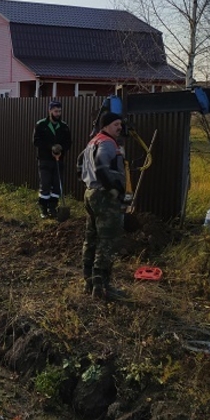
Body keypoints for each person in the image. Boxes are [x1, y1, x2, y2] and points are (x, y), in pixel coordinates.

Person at [78, 111, 128, 300]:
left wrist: (85, 178)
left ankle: (88, 282)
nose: (120, 128)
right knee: (106, 241)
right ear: (106, 126)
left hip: (90, 194)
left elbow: (79, 162)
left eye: (120, 125)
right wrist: (114, 190)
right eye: (116, 124)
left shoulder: (93, 142)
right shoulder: (107, 144)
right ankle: (102, 288)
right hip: (105, 198)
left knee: (90, 239)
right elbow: (100, 166)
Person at [32, 100, 72, 219]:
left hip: (59, 160)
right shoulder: (41, 125)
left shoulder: (64, 127)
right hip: (44, 160)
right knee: (45, 184)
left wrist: (61, 148)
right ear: (50, 111)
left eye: (59, 111)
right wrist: (51, 147)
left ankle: (52, 207)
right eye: (55, 111)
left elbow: (68, 142)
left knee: (57, 185)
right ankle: (43, 209)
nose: (58, 113)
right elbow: (36, 141)